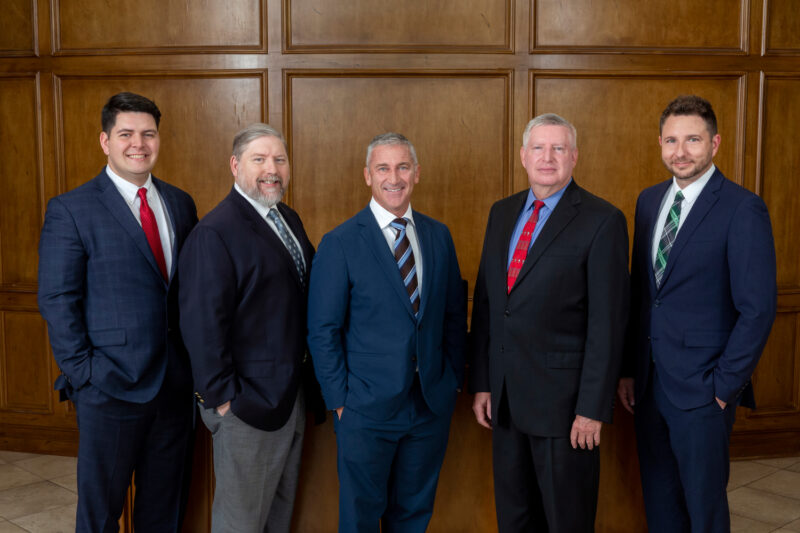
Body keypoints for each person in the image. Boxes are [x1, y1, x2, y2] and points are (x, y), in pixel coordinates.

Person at [37, 92, 198, 531]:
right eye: (126, 134)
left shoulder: (180, 204)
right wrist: (83, 373)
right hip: (108, 388)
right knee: (101, 514)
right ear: (105, 141)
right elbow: (56, 298)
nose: (138, 144)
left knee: (164, 511)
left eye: (148, 133)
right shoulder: (72, 209)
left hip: (173, 385)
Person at [618, 95, 777, 532]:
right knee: (661, 503)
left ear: (715, 143)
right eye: (671, 140)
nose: (680, 151)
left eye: (692, 139)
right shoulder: (649, 202)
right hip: (650, 387)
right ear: (660, 144)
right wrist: (631, 370)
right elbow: (642, 295)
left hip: (704, 390)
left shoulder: (742, 208)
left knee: (704, 510)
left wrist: (724, 386)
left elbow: (758, 309)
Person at [469, 113, 629, 532]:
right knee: (515, 520)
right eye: (538, 148)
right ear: (523, 156)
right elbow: (488, 305)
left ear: (574, 157)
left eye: (558, 148)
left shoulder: (602, 220)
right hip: (505, 404)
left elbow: (607, 325)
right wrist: (483, 382)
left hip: (565, 411)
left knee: (566, 522)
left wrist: (591, 409)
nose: (547, 157)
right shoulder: (501, 213)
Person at [307, 132, 466, 532]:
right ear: (367, 176)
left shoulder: (438, 236)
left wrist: (451, 381)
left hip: (428, 406)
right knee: (360, 519)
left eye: (402, 167)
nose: (393, 177)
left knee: (413, 517)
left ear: (416, 174)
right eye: (383, 168)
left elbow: (451, 317)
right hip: (364, 409)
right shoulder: (340, 242)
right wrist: (340, 401)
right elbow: (322, 330)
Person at [179, 123, 323, 532]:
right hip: (245, 407)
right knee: (241, 522)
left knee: (277, 516)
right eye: (259, 159)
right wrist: (224, 400)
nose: (271, 168)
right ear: (235, 165)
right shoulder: (215, 232)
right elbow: (202, 326)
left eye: (279, 159)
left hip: (289, 398)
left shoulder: (287, 218)